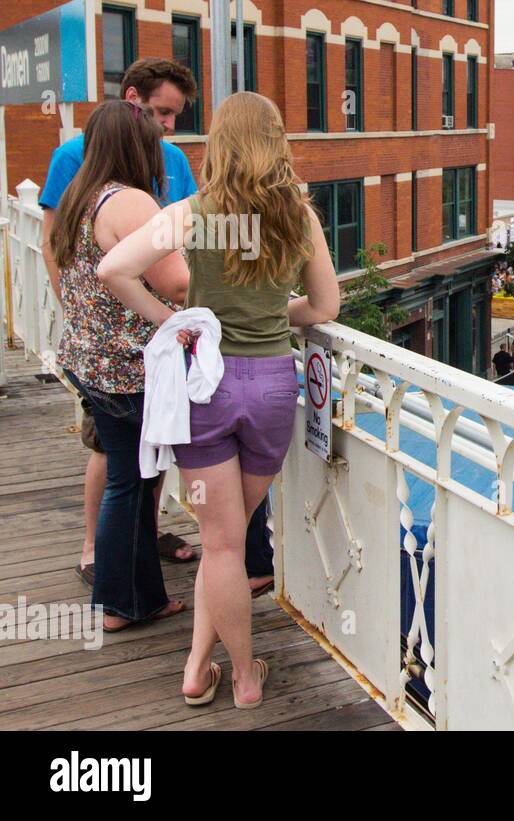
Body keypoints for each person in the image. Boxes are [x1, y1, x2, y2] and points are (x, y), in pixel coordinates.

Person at [98, 92, 340, 709]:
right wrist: (271, 313)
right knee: (229, 546)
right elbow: (324, 309)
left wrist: (172, 320)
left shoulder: (195, 211)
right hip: (270, 392)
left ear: (220, 143)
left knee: (222, 545)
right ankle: (202, 666)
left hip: (204, 389)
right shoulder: (299, 215)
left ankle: (239, 677)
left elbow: (113, 270)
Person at [39, 58, 204, 585]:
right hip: (126, 362)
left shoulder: (83, 196)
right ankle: (120, 594)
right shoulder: (128, 199)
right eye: (154, 123)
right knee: (127, 479)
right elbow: (176, 279)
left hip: (94, 355)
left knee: (129, 476)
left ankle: (129, 592)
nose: (163, 137)